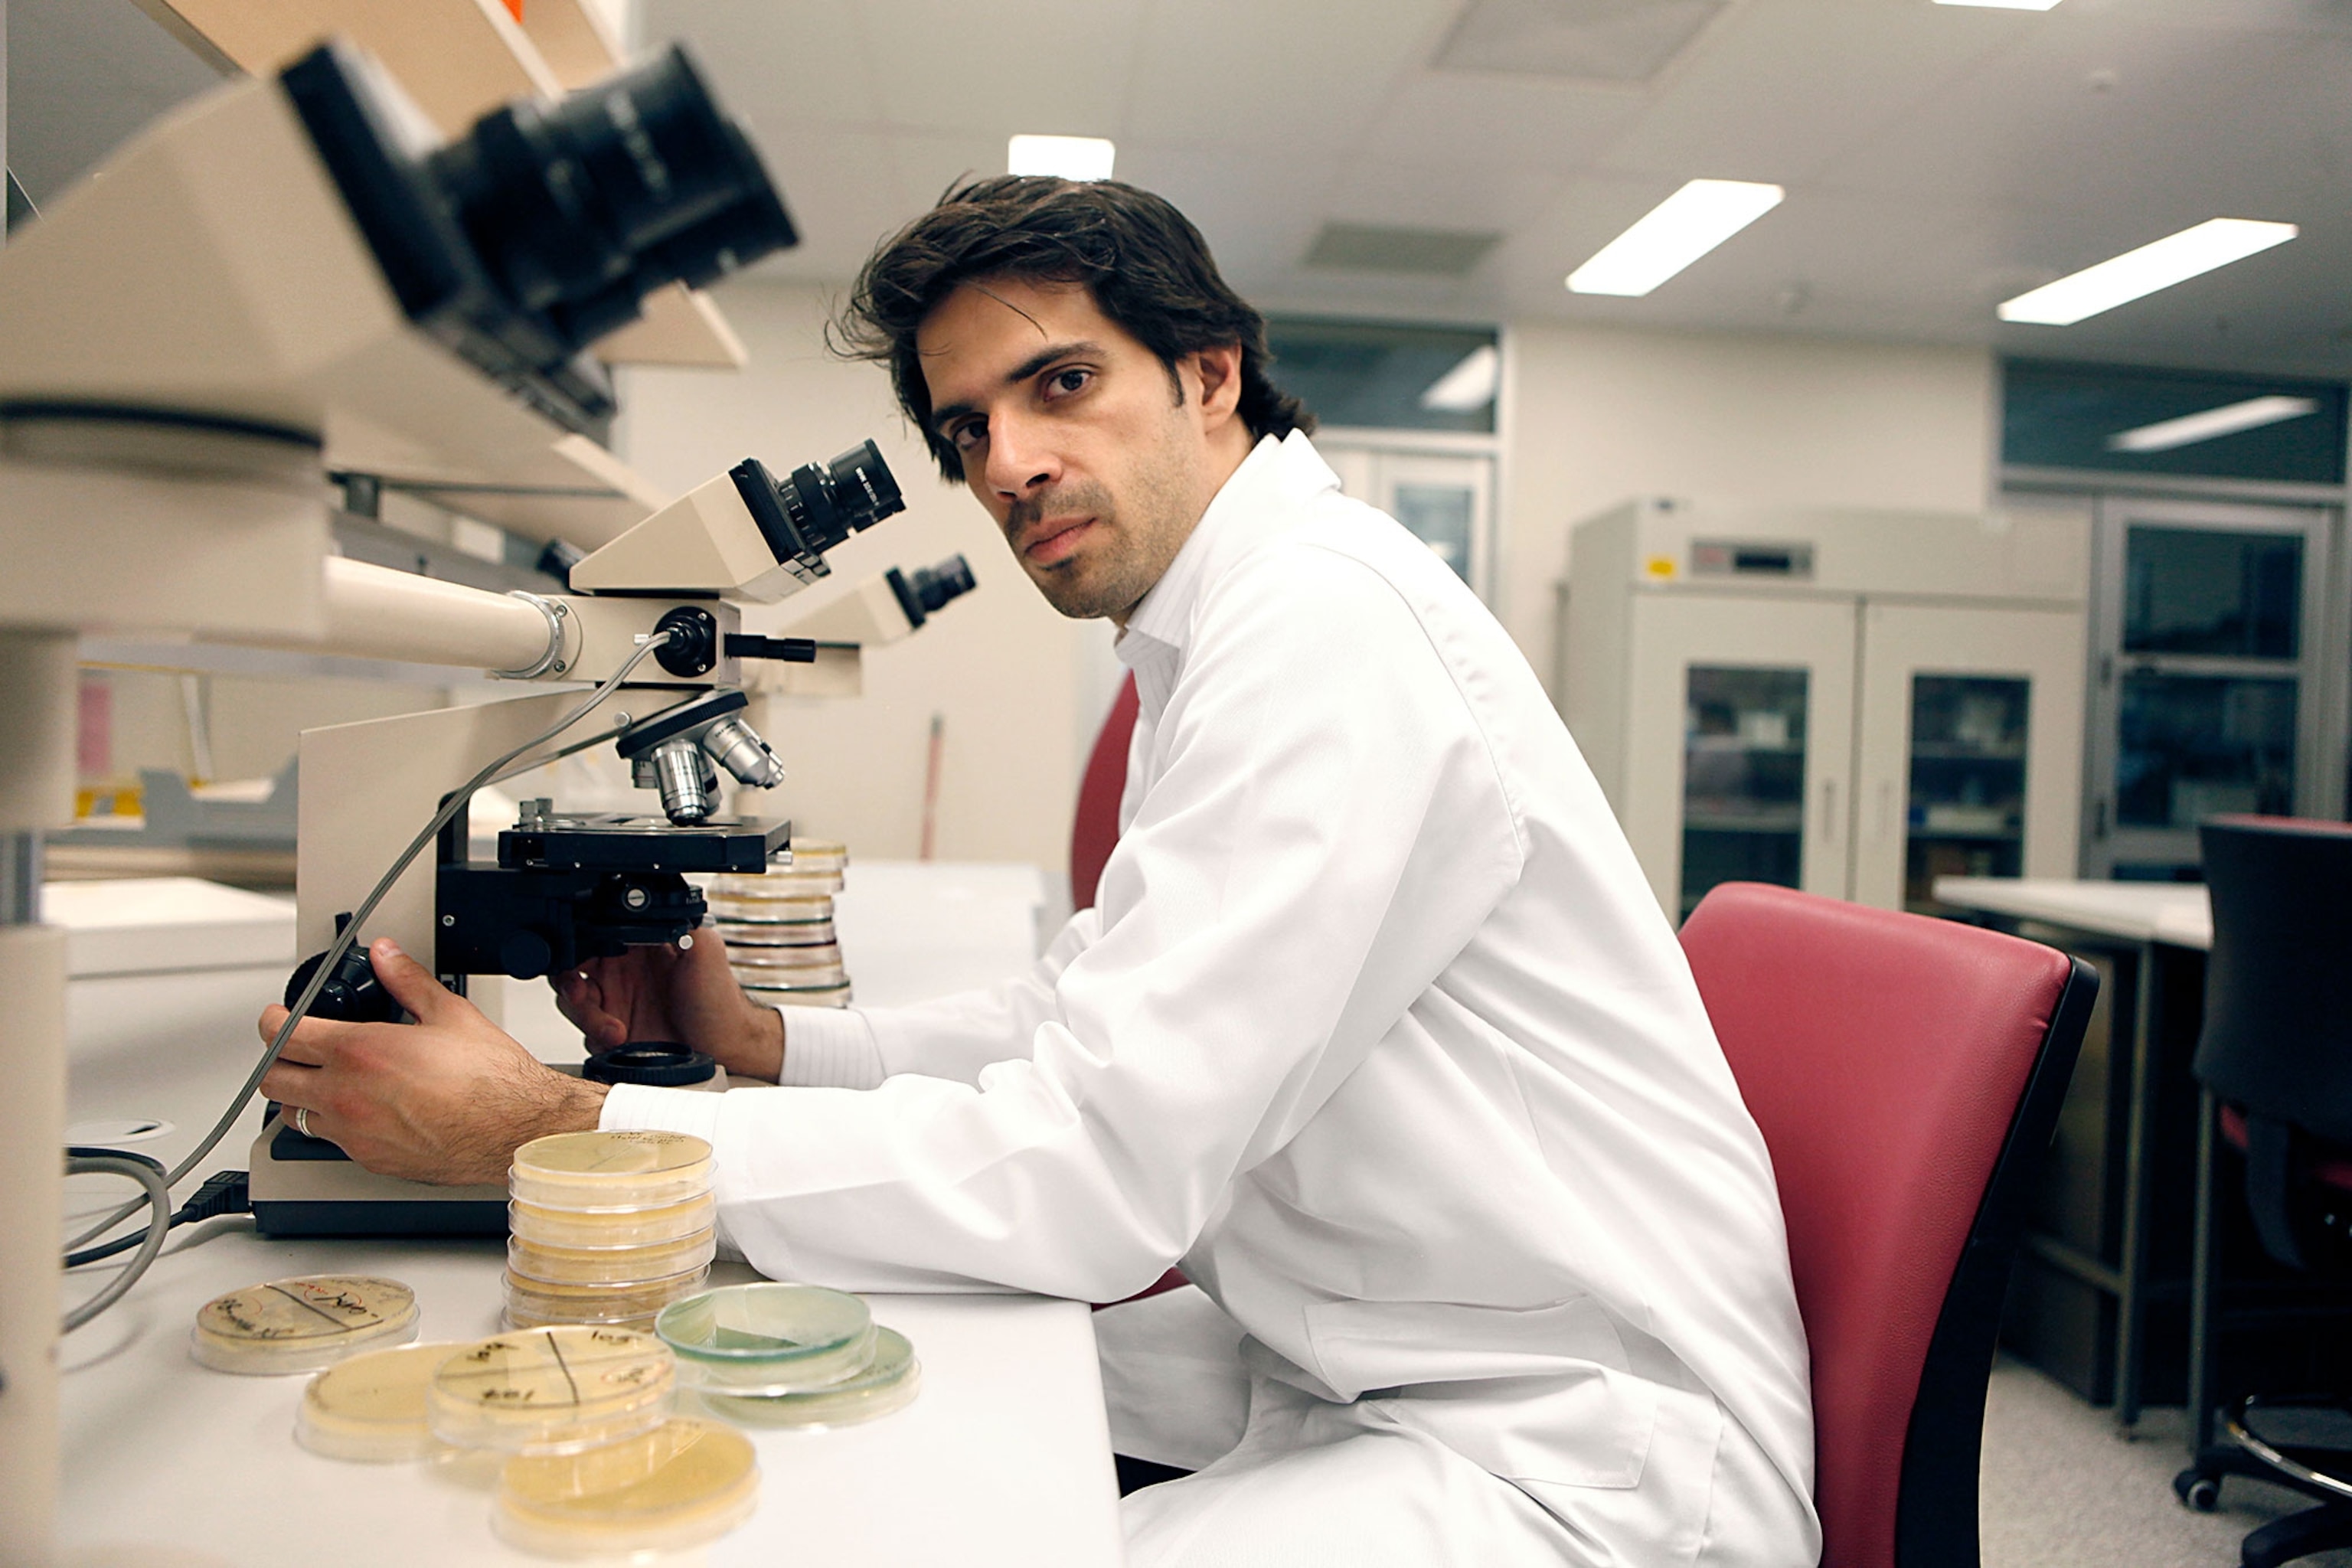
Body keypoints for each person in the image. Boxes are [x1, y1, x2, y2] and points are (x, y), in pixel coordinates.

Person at [259, 176, 1821, 1567]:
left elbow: (1096, 1177)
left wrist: (565, 1131)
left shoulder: (1321, 627)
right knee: (852, 1402)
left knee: (898, 1475)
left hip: (1574, 1461)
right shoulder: (1223, 630)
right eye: (967, 431)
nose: (1010, 462)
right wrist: (771, 1049)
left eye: (1060, 383)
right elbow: (1081, 1018)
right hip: (1374, 1347)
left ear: (1209, 374)